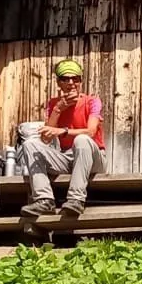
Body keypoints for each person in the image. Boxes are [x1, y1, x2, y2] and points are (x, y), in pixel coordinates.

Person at [18, 59, 107, 217]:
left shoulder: (92, 101)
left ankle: (76, 200)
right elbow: (45, 138)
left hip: (93, 158)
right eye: (65, 79)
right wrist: (59, 109)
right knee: (30, 144)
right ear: (59, 82)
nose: (71, 83)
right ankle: (44, 200)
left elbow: (91, 132)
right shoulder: (54, 104)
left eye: (76, 79)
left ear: (80, 81)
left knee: (82, 140)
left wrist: (62, 131)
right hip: (67, 158)